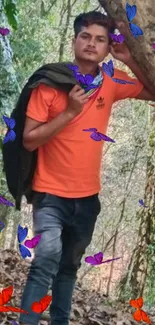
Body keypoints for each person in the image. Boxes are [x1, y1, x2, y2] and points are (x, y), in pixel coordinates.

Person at [19, 10, 155, 325]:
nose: (92, 44)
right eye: (85, 36)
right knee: (44, 265)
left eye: (100, 40)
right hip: (49, 195)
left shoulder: (112, 81)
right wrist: (69, 113)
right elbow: (28, 140)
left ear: (109, 47)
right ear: (74, 40)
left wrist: (129, 59)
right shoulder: (50, 83)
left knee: (68, 269)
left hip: (87, 199)